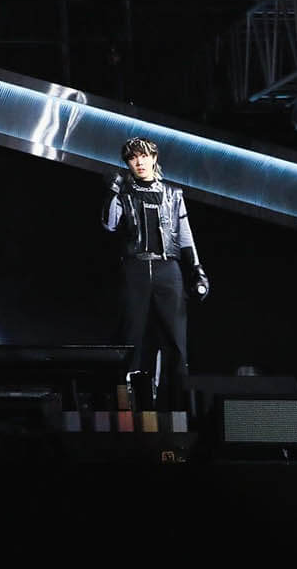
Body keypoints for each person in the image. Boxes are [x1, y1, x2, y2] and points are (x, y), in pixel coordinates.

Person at [103, 137, 210, 407]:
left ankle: (178, 407)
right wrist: (114, 191)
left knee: (175, 341)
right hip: (135, 268)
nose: (138, 162)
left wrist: (197, 269)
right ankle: (127, 407)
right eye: (132, 158)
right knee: (131, 338)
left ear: (153, 158)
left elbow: (185, 235)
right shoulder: (125, 192)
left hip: (168, 268)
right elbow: (109, 224)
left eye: (143, 156)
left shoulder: (173, 194)